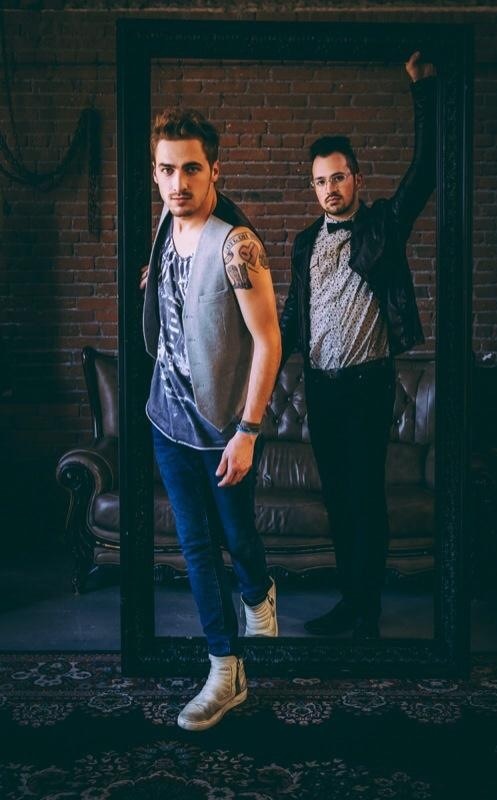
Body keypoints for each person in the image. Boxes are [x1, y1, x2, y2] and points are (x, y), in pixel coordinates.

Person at [279, 51, 436, 640]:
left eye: (338, 177)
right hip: (320, 388)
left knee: (367, 499)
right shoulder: (304, 243)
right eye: (320, 181)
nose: (330, 189)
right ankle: (350, 601)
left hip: (369, 384)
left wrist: (422, 90)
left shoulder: (383, 226)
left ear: (357, 180)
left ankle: (368, 610)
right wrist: (261, 375)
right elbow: (292, 316)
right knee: (339, 502)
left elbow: (425, 171)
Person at [141, 108, 281, 730]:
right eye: (167, 170)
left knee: (236, 535)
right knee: (195, 545)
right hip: (165, 419)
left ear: (215, 170)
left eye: (192, 169)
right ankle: (225, 669)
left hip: (224, 428)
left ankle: (258, 593)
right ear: (155, 173)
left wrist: (248, 432)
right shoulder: (165, 224)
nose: (179, 183)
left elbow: (268, 341)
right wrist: (158, 285)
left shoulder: (238, 244)